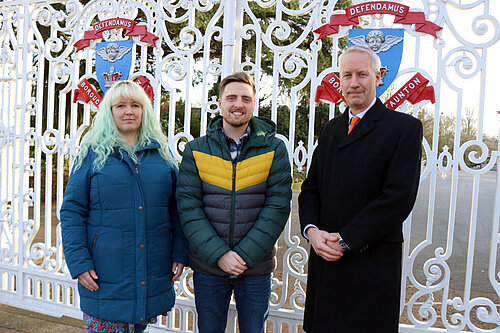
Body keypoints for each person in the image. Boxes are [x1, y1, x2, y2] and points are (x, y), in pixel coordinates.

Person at [298, 45, 423, 332]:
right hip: (326, 260)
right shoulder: (330, 130)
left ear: (378, 77)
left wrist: (346, 240)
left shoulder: (404, 128)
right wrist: (313, 232)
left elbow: (398, 197)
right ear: (339, 81)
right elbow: (311, 188)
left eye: (362, 74)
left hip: (371, 263)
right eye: (347, 75)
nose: (354, 83)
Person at [60, 80, 189, 333]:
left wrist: (179, 253)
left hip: (151, 269)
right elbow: (72, 211)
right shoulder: (91, 155)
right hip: (104, 273)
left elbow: (177, 210)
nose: (128, 111)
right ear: (109, 112)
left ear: (144, 111)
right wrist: (79, 263)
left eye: (135, 105)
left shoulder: (162, 157)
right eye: (120, 105)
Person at [176, 72, 292, 333]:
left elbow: (277, 206)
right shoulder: (196, 149)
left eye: (245, 98)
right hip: (209, 265)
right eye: (231, 98)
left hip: (255, 266)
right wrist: (219, 255)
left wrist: (243, 255)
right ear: (220, 103)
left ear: (253, 104)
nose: (238, 104)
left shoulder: (274, 149)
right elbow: (188, 207)